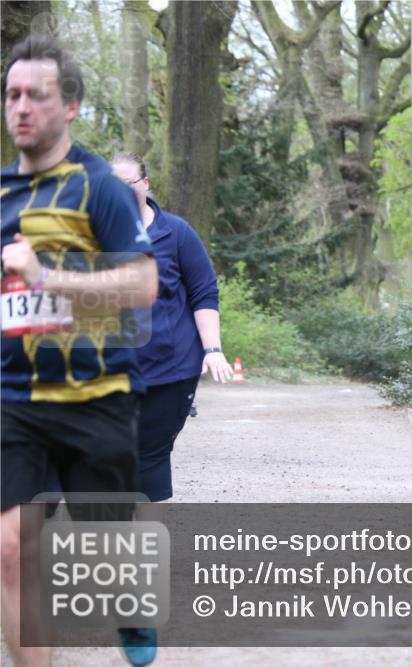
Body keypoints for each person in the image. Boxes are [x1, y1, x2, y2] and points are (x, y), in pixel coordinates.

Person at [1, 36, 158, 667]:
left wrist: (48, 279)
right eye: (12, 94)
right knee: (12, 549)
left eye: (36, 95)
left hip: (97, 397)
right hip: (15, 399)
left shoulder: (100, 188)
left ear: (69, 106)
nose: (21, 107)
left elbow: (143, 284)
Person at [110, 152, 232, 505]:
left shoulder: (175, 232)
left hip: (168, 370)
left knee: (149, 456)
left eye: (127, 183)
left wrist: (213, 349)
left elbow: (203, 293)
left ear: (145, 185)